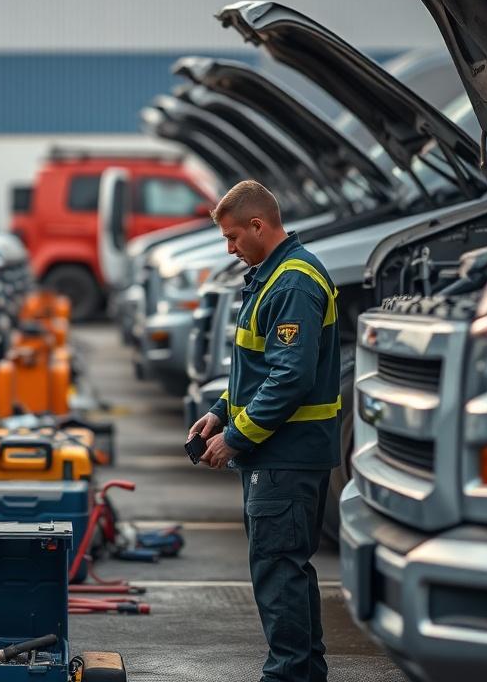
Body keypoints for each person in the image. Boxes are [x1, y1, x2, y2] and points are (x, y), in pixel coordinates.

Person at [188, 180, 340, 682]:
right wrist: (218, 412)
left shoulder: (293, 282)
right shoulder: (273, 276)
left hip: (286, 457)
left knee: (279, 572)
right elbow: (258, 371)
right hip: (282, 455)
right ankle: (302, 671)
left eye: (233, 237)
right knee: (286, 570)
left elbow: (290, 377)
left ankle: (289, 674)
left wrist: (236, 437)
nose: (230, 250)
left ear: (258, 225)